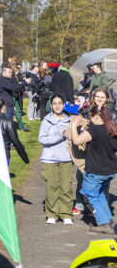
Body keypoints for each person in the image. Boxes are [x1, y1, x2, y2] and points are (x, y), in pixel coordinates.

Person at [71, 89, 117, 234]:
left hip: (96, 170)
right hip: (110, 170)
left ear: (98, 118)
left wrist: (73, 125)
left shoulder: (95, 130)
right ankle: (108, 220)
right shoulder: (112, 130)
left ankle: (103, 223)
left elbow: (77, 140)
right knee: (101, 194)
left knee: (90, 194)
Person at [38, 95, 75, 225]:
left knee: (66, 187)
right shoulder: (46, 121)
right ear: (51, 105)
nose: (58, 105)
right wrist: (59, 136)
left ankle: (66, 214)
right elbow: (42, 139)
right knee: (52, 187)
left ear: (64, 105)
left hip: (66, 158)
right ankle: (52, 213)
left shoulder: (70, 120)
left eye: (60, 103)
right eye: (55, 103)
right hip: (50, 159)